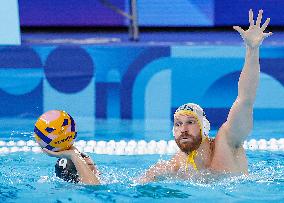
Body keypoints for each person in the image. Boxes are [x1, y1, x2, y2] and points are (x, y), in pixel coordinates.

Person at [138, 9, 273, 183]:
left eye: (190, 122)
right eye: (178, 124)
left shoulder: (227, 141)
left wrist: (252, 49)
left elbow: (245, 99)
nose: (183, 129)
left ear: (204, 126)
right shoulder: (176, 165)